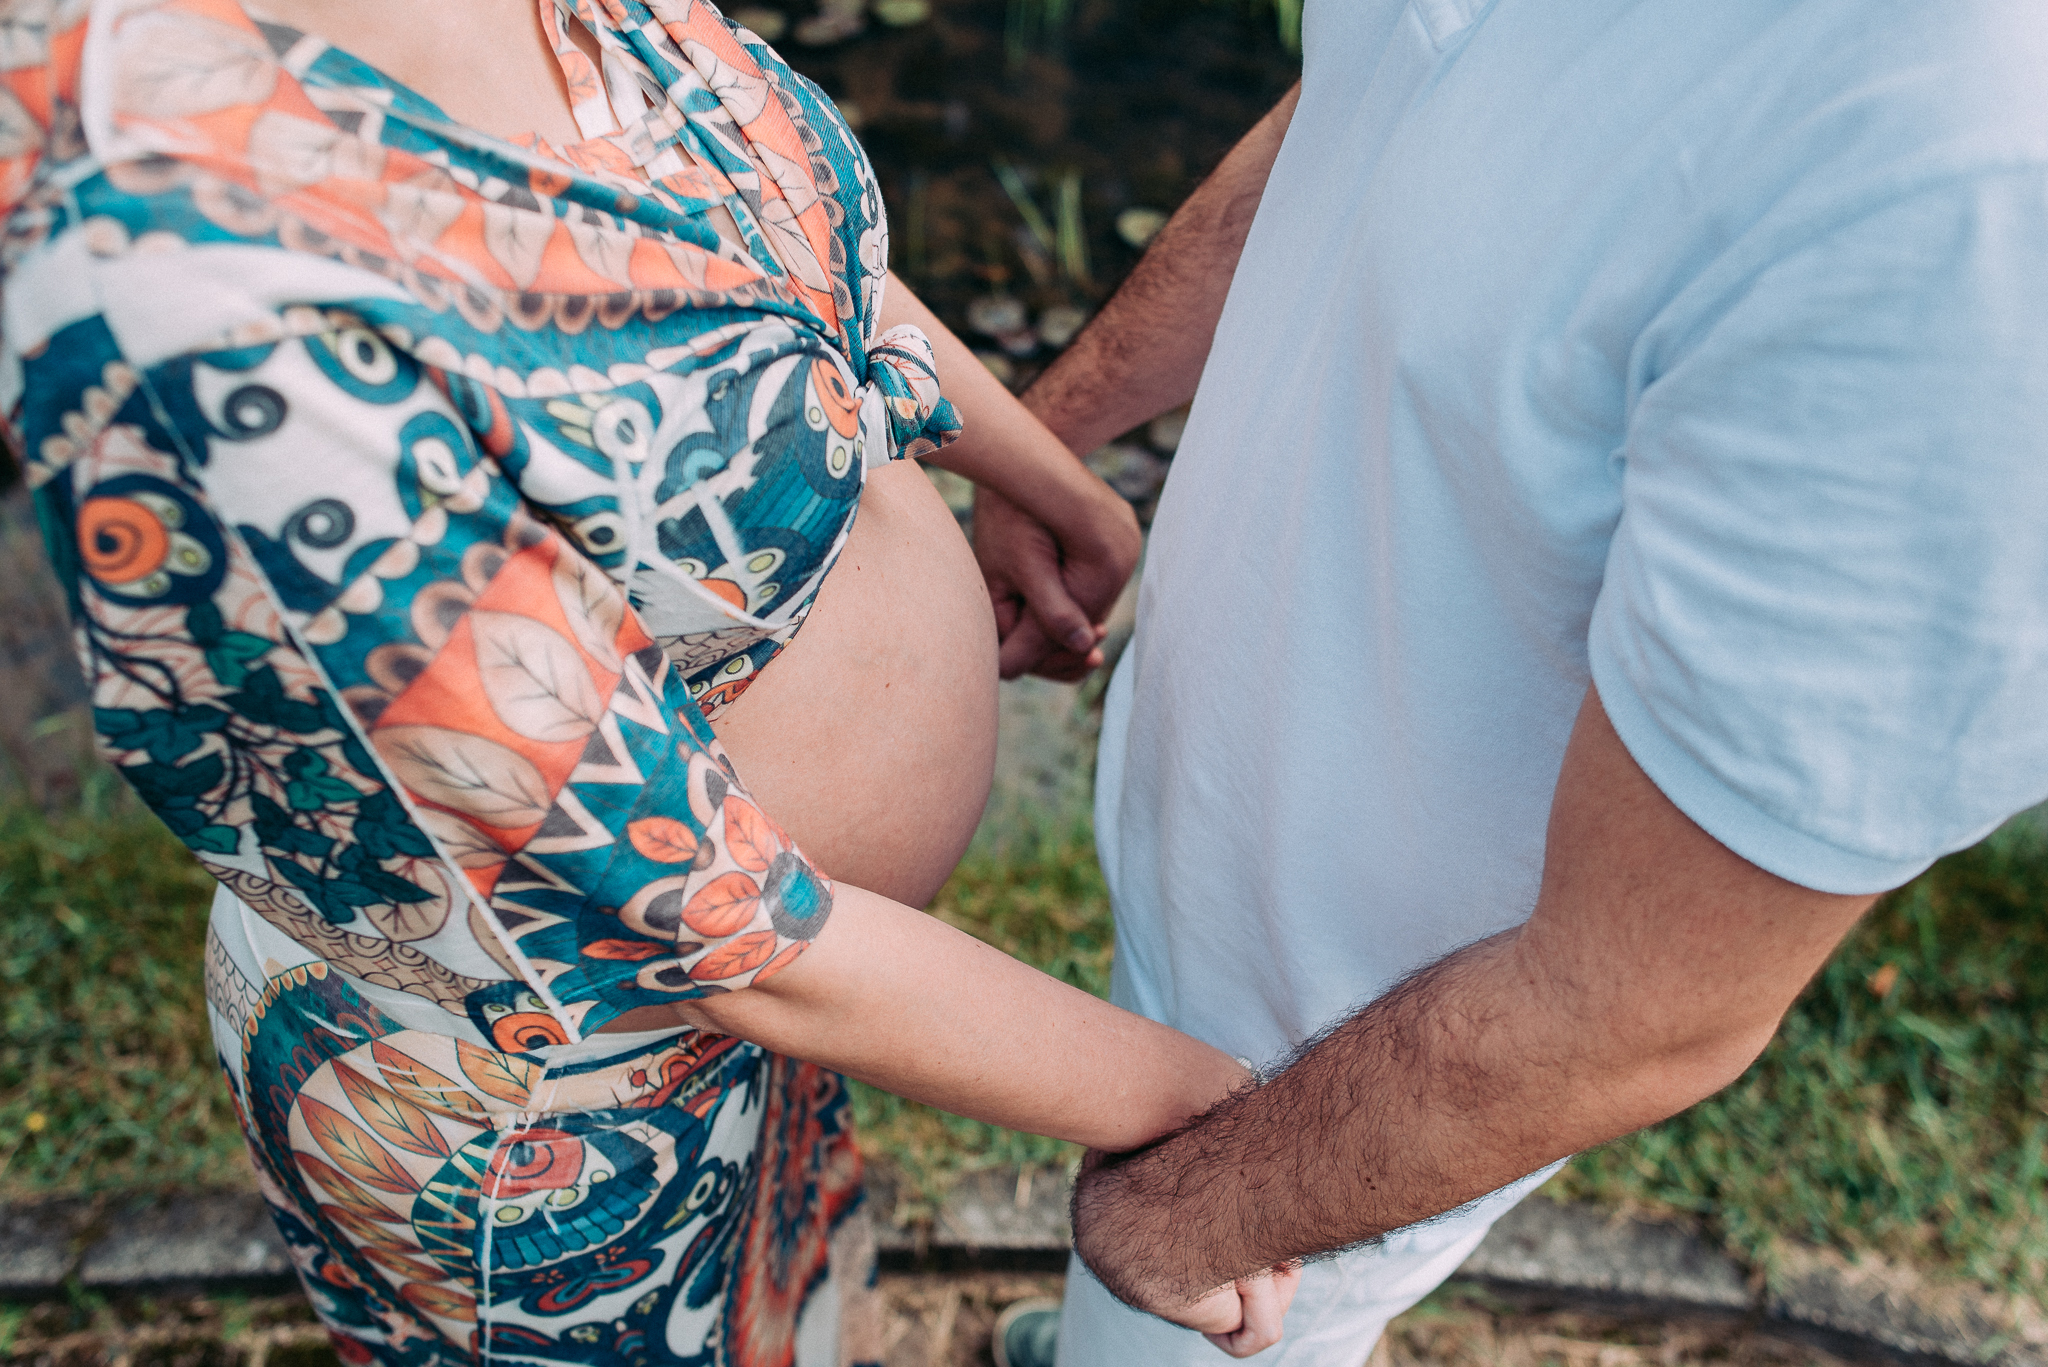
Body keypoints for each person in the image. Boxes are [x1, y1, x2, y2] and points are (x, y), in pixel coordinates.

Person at [0, 0, 1301, 1361]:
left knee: (778, 1324)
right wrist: (1197, 1110)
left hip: (819, 998)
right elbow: (697, 917)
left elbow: (770, 247)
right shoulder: (176, 259)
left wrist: (1044, 473)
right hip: (555, 1094)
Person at [972, 0, 2048, 1362]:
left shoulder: (1969, 201)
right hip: (1193, 840)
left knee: (1181, 1332)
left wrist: (1192, 1218)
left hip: (1340, 1052)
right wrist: (1042, 435)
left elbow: (1641, 1004)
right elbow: (1363, 112)